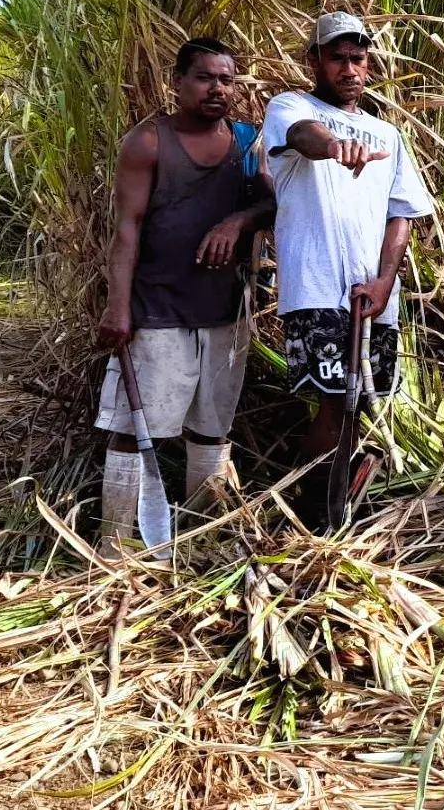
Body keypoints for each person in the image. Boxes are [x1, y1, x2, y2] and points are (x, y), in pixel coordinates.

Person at [95, 37, 275, 559]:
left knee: (212, 429)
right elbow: (126, 230)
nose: (217, 88)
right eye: (204, 77)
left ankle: (203, 538)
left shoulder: (247, 142)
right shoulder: (149, 142)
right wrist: (118, 308)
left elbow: (270, 203)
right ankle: (115, 548)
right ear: (178, 82)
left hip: (225, 311)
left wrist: (236, 222)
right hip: (158, 309)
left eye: (226, 79)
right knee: (135, 428)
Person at [262, 10, 433, 530]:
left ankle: (334, 511)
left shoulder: (387, 134)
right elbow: (304, 135)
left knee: (355, 404)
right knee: (335, 403)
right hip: (317, 289)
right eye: (337, 58)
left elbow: (402, 213)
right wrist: (335, 147)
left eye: (358, 58)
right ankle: (310, 515)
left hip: (374, 295)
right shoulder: (290, 106)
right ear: (314, 60)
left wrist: (385, 282)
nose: (349, 68)